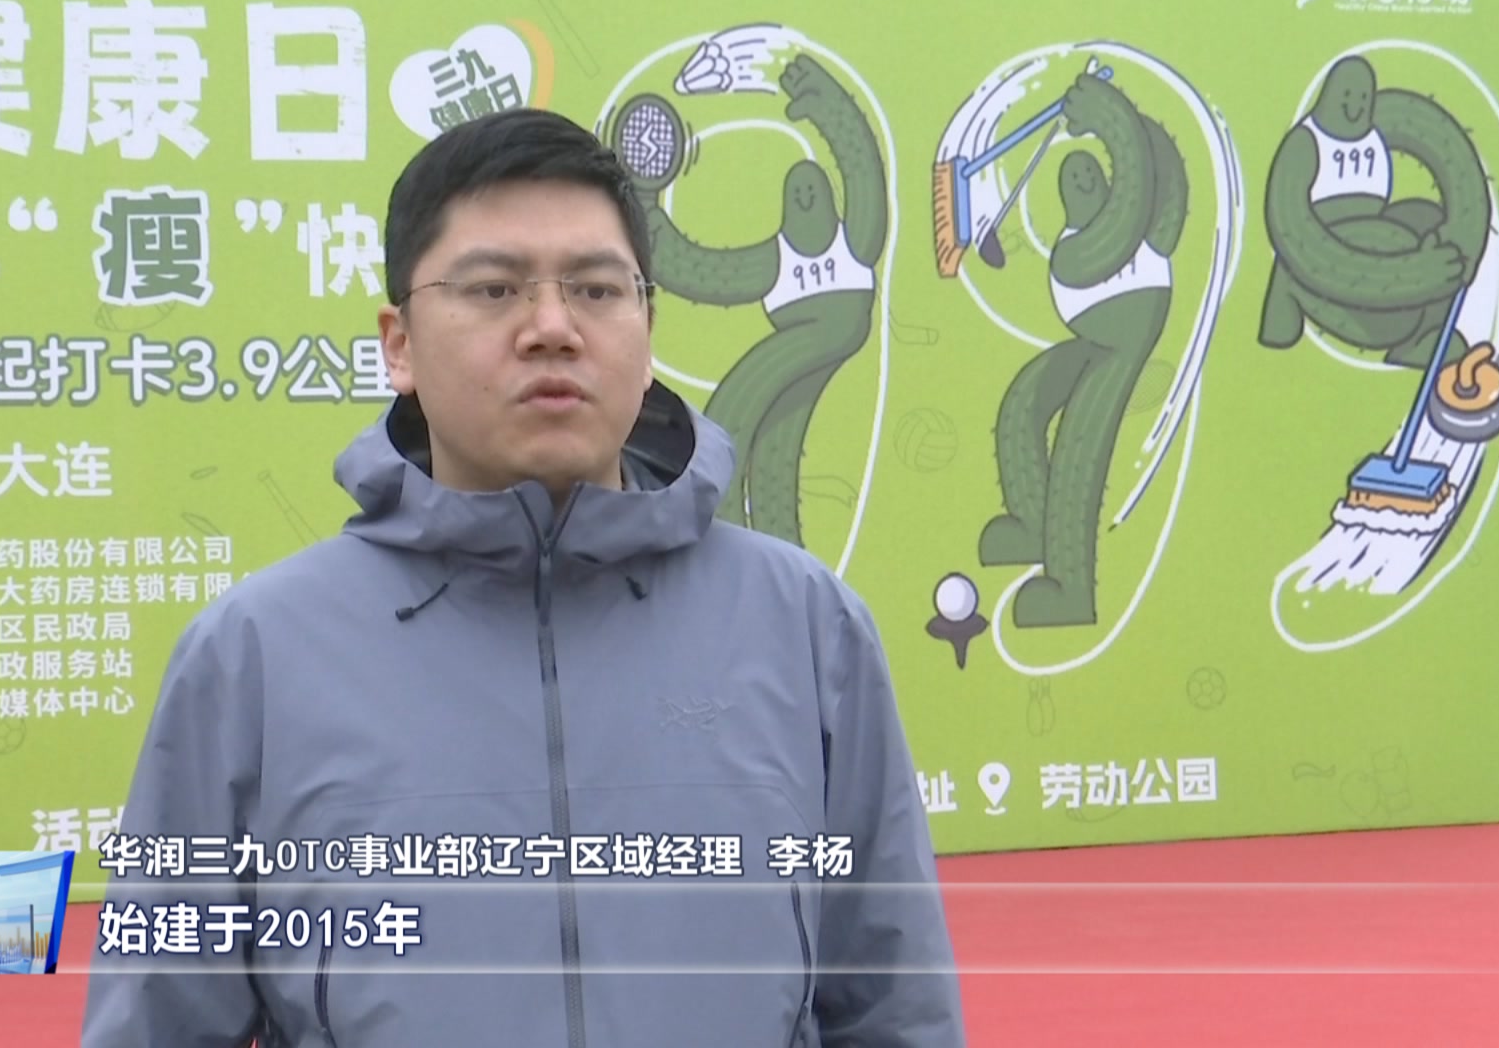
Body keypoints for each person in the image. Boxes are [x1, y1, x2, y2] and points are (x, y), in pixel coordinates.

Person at [80, 106, 966, 1048]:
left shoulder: (804, 625)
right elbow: (158, 1021)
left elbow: (893, 1007)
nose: (552, 328)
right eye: (495, 288)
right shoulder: (253, 655)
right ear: (398, 344)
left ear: (647, 328)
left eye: (596, 289)